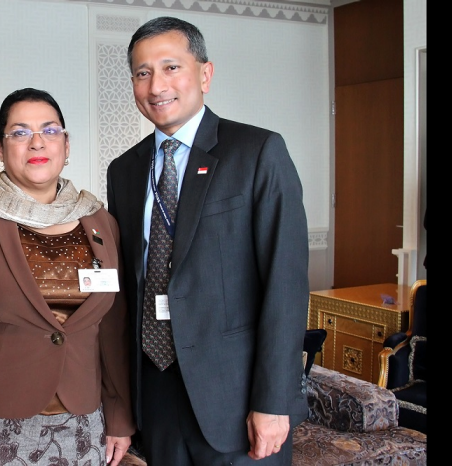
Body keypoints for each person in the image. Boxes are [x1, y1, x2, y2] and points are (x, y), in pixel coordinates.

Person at [106, 16, 310, 465]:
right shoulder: (123, 170)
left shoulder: (257, 152)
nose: (156, 85)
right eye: (142, 73)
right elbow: (125, 291)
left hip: (235, 397)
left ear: (205, 73)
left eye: (170, 67)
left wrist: (274, 401)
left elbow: (286, 285)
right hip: (155, 392)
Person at [0, 88, 134, 466]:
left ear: (66, 146)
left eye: (50, 131)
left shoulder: (100, 221)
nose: (37, 142)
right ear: (0, 150)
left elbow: (112, 331)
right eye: (20, 132)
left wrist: (119, 416)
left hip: (83, 426)